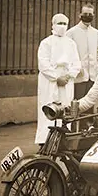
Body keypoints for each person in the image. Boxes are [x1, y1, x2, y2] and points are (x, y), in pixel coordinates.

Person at [36, 14, 81, 144]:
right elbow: (43, 64)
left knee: (65, 107)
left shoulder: (71, 44)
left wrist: (68, 76)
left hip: (66, 80)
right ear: (53, 25)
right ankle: (45, 140)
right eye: (59, 23)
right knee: (49, 108)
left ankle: (64, 139)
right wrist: (56, 77)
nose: (62, 26)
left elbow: (76, 63)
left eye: (64, 24)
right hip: (50, 81)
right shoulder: (46, 43)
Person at [66, 3, 98, 101]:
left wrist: (97, 67)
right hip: (79, 76)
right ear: (80, 15)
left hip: (93, 76)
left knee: (90, 103)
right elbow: (67, 53)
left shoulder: (95, 32)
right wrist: (75, 68)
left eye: (90, 14)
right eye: (85, 14)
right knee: (77, 104)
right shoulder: (71, 32)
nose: (88, 17)